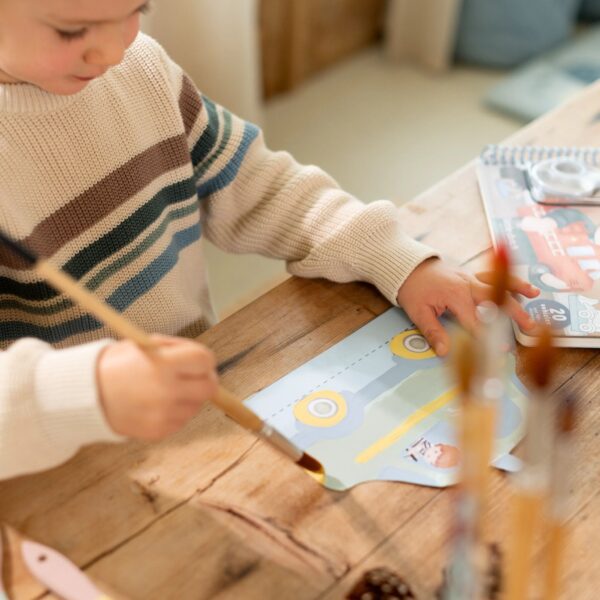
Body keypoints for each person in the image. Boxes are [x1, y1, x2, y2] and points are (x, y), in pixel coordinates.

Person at [0, 0, 539, 480]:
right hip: (49, 469)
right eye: (72, 30)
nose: (114, 50)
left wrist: (395, 258)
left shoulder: (143, 70)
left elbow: (262, 188)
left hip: (195, 408)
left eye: (137, 9)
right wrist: (82, 394)